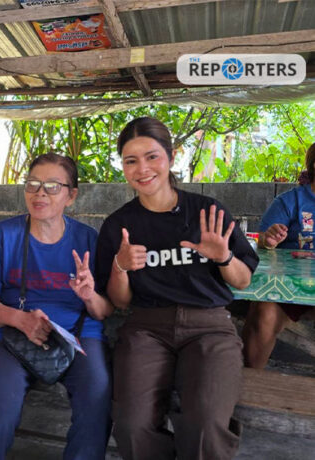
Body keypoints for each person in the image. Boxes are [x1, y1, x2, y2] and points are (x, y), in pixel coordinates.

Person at [95, 117, 258, 460]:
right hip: (146, 328)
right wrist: (120, 266)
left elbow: (243, 280)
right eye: (131, 160)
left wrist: (224, 257)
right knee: (131, 424)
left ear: (171, 156)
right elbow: (119, 301)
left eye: (152, 156)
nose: (142, 169)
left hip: (210, 327)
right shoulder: (118, 225)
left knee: (205, 422)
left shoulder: (208, 212)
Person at [0, 153, 113, 460]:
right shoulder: (5, 235)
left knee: (96, 395)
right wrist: (20, 319)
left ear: (71, 196)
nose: (40, 194)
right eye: (33, 184)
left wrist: (89, 295)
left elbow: (104, 311)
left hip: (77, 335)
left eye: (52, 186)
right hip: (12, 333)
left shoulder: (87, 239)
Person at [243, 142, 315, 369]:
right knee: (263, 313)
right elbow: (261, 240)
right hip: (288, 290)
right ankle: (250, 383)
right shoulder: (290, 201)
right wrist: (268, 240)